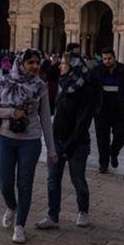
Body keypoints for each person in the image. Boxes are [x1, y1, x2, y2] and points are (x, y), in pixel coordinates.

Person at [0, 50, 56, 244]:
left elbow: (45, 118)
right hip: (5, 138)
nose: (35, 66)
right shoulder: (6, 82)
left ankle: (20, 226)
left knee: (25, 184)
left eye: (37, 63)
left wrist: (51, 150)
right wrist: (12, 112)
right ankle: (11, 205)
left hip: (31, 140)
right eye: (31, 63)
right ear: (21, 64)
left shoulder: (41, 86)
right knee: (5, 181)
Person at [35, 53, 99, 231]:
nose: (60, 66)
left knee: (77, 178)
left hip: (77, 143)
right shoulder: (63, 85)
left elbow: (83, 121)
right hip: (58, 140)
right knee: (53, 179)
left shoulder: (85, 90)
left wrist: (69, 145)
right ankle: (52, 216)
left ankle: (83, 211)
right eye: (61, 63)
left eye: (64, 63)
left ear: (74, 66)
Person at [89, 48, 124, 173]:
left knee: (122, 135)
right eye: (104, 59)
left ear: (114, 57)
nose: (107, 61)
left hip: (119, 110)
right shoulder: (97, 71)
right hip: (101, 110)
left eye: (109, 58)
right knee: (102, 138)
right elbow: (90, 87)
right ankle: (103, 164)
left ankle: (113, 152)